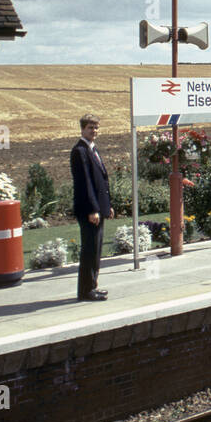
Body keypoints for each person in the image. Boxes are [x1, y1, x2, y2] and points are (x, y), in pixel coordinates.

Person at [70, 113, 114, 300]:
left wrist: (107, 205)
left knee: (96, 249)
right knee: (89, 250)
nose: (94, 131)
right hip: (89, 210)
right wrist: (92, 210)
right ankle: (86, 290)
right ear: (82, 129)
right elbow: (85, 183)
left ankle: (93, 285)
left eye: (96, 128)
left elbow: (101, 180)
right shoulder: (79, 151)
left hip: (98, 207)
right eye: (90, 128)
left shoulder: (93, 149)